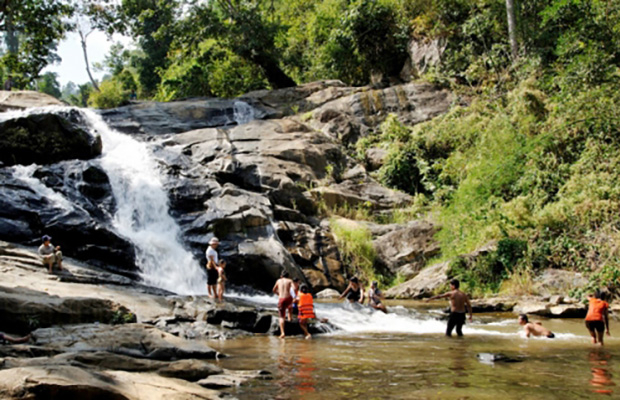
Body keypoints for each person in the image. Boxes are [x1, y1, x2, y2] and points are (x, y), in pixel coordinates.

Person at [273, 271, 294, 339]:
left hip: (281, 298)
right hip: (288, 298)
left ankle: (282, 333)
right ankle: (290, 318)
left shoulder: (278, 280)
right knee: (290, 306)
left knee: (281, 316)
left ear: (281, 276)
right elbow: (294, 289)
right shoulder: (290, 281)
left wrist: (279, 294)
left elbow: (274, 290)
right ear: (288, 276)